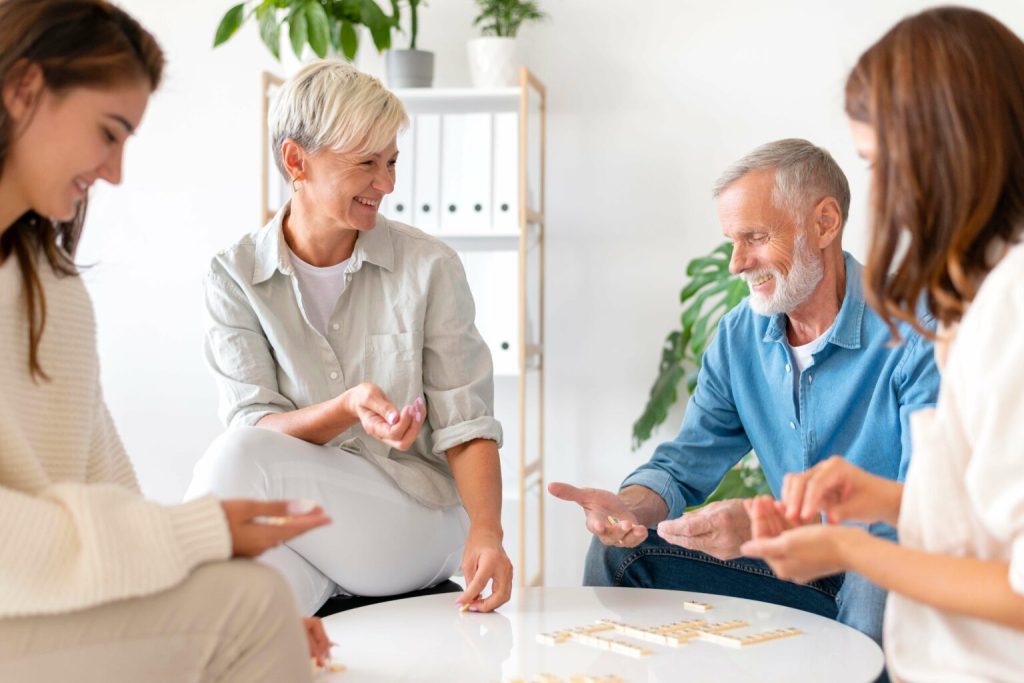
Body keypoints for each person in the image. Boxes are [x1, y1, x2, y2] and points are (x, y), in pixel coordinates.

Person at [0, 1, 333, 681]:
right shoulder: (235, 271)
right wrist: (201, 540)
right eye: (108, 132)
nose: (115, 172)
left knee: (254, 605)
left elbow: (102, 476)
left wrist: (192, 594)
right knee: (254, 602)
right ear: (23, 88)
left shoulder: (51, 291)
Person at [550, 138, 940, 646]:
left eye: (754, 237)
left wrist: (767, 527)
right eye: (732, 240)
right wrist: (629, 507)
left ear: (825, 223)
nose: (735, 263)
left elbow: (925, 508)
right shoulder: (739, 337)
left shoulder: (915, 327)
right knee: (621, 556)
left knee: (871, 586)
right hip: (795, 568)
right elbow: (684, 464)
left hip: (887, 562)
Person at [741, 7, 1024, 680]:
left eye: (877, 164)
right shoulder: (979, 293)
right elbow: (989, 522)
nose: (882, 193)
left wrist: (852, 549)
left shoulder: (1011, 302)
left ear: (940, 152)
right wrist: (878, 499)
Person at [187, 59, 513, 616]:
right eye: (366, 163)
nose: (386, 184)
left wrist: (488, 532)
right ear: (297, 160)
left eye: (391, 162)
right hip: (313, 526)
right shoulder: (233, 275)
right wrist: (345, 409)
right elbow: (256, 423)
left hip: (420, 517)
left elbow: (467, 423)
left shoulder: (429, 266)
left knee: (238, 461)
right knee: (234, 607)